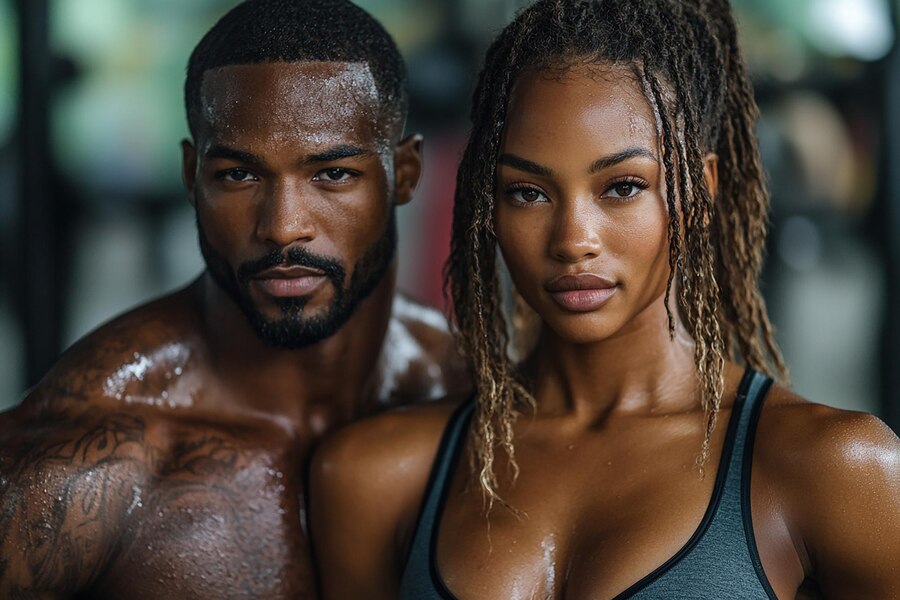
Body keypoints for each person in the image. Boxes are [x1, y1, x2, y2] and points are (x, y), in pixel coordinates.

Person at [310, 0, 900, 598]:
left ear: (701, 191)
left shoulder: (830, 469)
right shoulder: (378, 476)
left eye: (622, 187)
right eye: (528, 192)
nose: (573, 241)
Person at [0, 0, 468, 597]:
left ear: (404, 173)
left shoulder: (468, 390)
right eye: (238, 176)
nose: (282, 227)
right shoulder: (82, 458)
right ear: (192, 175)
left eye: (333, 175)